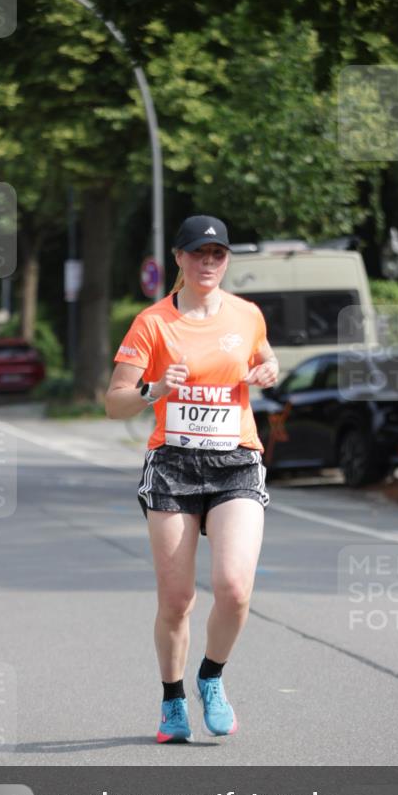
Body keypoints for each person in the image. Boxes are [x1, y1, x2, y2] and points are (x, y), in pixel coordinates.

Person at [105, 215, 279, 742]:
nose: (208, 262)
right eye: (198, 253)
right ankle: (173, 699)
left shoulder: (247, 315)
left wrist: (268, 370)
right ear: (179, 258)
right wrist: (154, 389)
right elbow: (115, 403)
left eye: (217, 254)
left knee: (234, 588)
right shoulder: (152, 323)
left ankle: (211, 677)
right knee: (177, 600)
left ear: (226, 260)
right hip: (174, 466)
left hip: (236, 461)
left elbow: (265, 357)